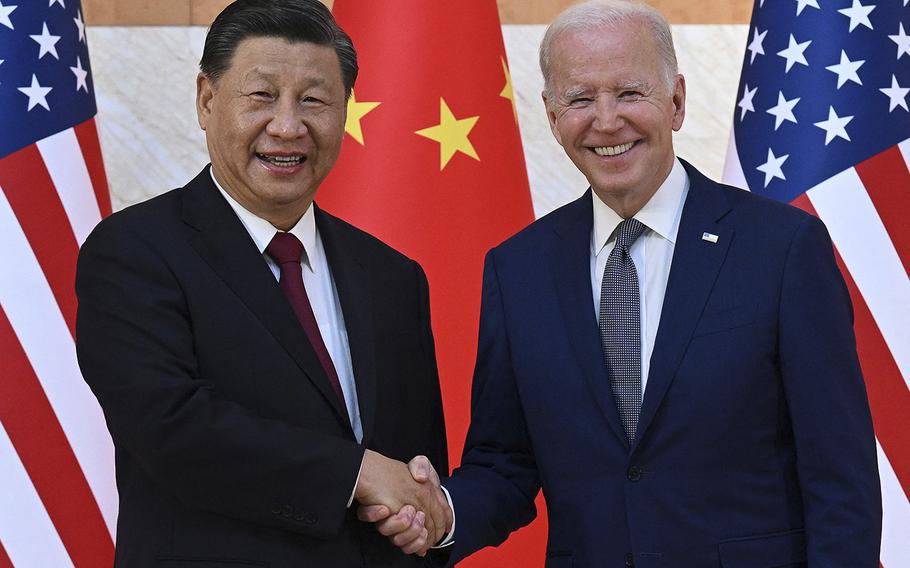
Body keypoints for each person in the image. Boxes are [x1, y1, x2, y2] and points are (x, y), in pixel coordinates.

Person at [363, 1, 882, 565]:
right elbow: (505, 462)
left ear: (677, 100)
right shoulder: (519, 269)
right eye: (580, 99)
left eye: (631, 93)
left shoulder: (782, 248)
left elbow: (840, 477)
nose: (606, 121)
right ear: (551, 115)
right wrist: (440, 512)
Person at [75, 0, 451, 565]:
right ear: (207, 99)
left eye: (314, 100)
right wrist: (355, 474)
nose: (287, 125)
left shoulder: (392, 276)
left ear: (345, 111)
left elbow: (415, 473)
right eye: (261, 95)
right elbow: (173, 431)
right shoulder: (133, 251)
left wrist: (433, 518)